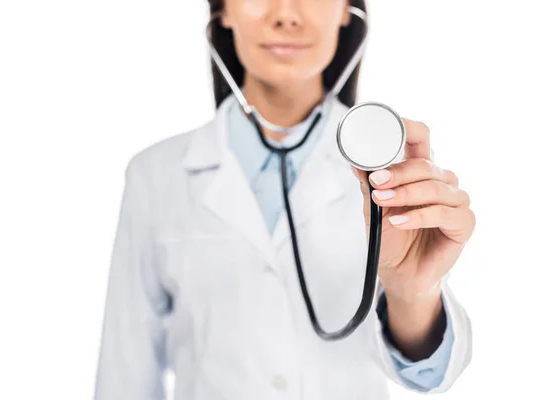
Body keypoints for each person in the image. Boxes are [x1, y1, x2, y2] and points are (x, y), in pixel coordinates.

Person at [93, 0, 475, 399]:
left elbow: (428, 375)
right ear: (222, 10)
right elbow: (126, 371)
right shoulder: (155, 176)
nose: (286, 13)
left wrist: (411, 292)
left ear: (348, 10)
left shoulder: (396, 174)